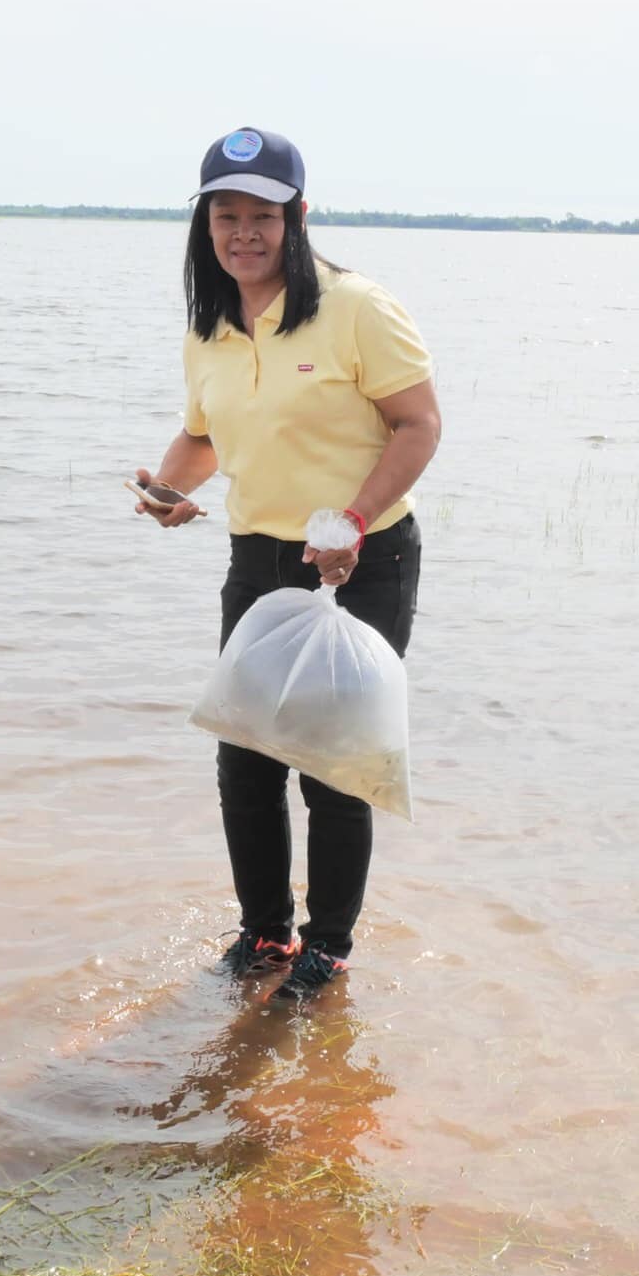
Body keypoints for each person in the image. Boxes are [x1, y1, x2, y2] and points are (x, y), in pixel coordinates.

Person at [136, 126, 442, 1004]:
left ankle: (327, 951)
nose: (244, 234)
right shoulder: (211, 327)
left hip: (360, 562)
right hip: (257, 561)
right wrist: (166, 489)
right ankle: (264, 933)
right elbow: (203, 436)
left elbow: (418, 424)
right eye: (225, 216)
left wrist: (353, 521)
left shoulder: (358, 308)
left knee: (334, 766)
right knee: (245, 759)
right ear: (205, 224)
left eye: (263, 216)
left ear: (297, 218)